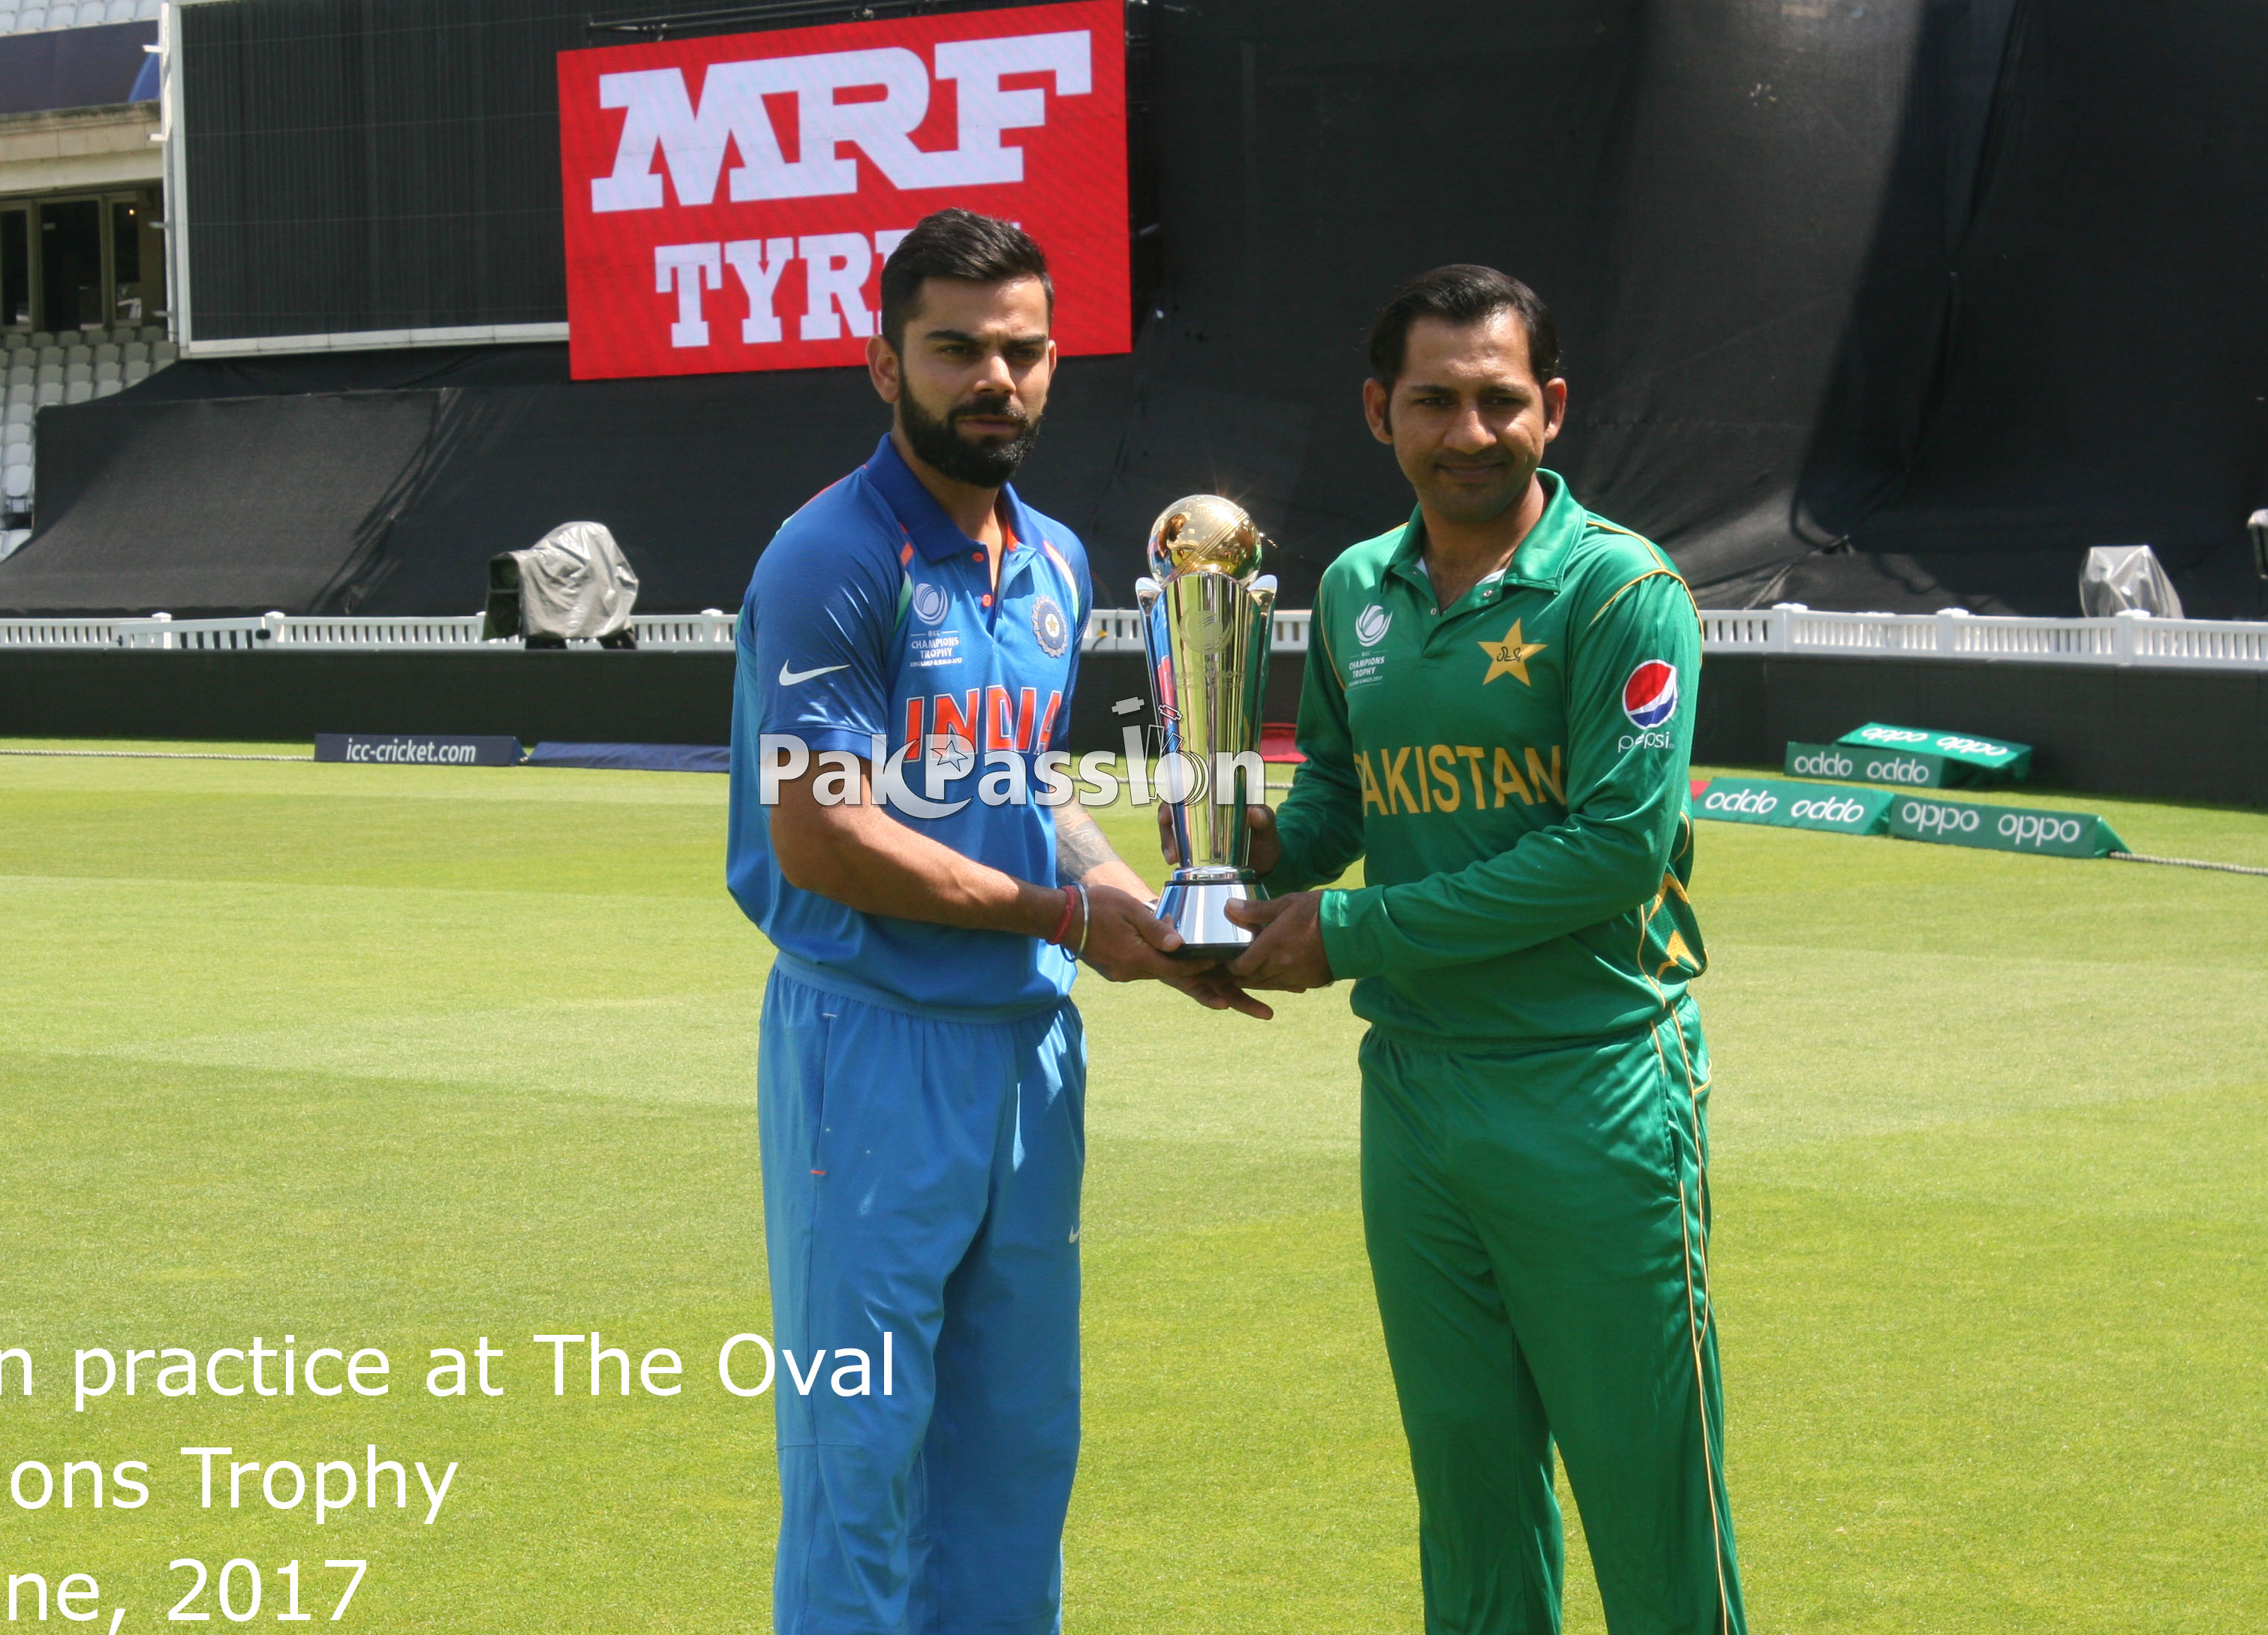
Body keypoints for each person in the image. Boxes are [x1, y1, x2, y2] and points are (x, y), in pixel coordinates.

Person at [725, 208, 1262, 1635]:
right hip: (872, 1045)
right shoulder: (829, 559)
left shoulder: (1060, 560)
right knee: (863, 1447)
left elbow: (1026, 791)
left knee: (1019, 1442)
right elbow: (822, 832)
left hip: (1028, 1051)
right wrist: (1067, 915)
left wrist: (1153, 917)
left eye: (1021, 351)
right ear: (882, 363)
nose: (994, 380)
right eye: (955, 349)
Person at [1223, 265, 1743, 1634]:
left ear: (1552, 408)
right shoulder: (1354, 591)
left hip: (1591, 1088)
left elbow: (1614, 850)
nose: (1470, 432)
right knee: (1466, 1485)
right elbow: (1341, 793)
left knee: (1647, 1488)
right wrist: (1249, 858)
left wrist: (1345, 927)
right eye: (1435, 401)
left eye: (1500, 400)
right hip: (1417, 1088)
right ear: (1378, 413)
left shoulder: (1621, 590)